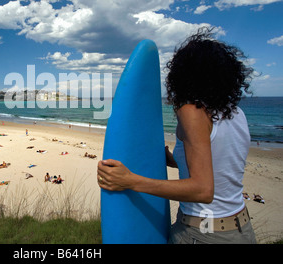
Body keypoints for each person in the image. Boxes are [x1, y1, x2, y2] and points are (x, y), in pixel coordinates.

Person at [97, 27, 256, 244]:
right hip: (241, 230)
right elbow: (220, 165)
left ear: (182, 73)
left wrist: (130, 181)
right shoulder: (236, 113)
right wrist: (173, 160)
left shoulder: (192, 111)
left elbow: (203, 190)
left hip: (203, 234)